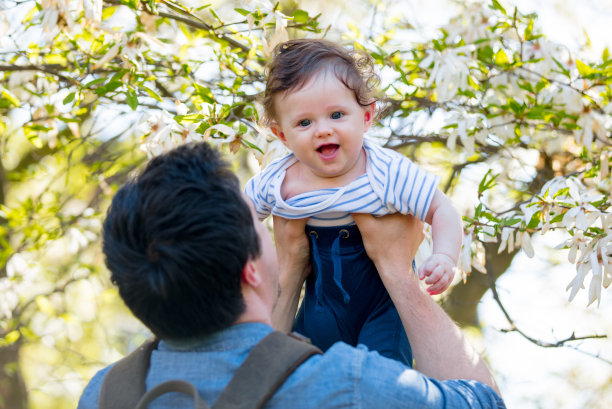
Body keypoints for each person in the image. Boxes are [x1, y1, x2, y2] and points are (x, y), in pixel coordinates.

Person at [77, 142, 504, 409]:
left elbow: (259, 363)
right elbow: (486, 404)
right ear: (249, 268)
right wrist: (397, 272)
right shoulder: (346, 386)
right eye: (259, 229)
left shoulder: (104, 395)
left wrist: (291, 277)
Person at [244, 39, 463, 365]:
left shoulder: (385, 172)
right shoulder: (280, 181)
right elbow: (237, 216)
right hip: (319, 303)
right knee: (298, 367)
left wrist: (445, 256)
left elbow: (441, 208)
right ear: (282, 136)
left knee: (380, 374)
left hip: (382, 307)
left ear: (366, 116)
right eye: (304, 122)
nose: (322, 130)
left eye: (336, 114)